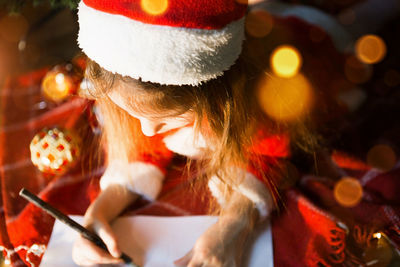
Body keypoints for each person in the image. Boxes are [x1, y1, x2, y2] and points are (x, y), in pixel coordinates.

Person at [72, 0, 322, 266]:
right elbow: (141, 152)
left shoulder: (263, 104)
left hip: (308, 41)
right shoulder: (124, 81)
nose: (147, 130)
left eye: (168, 118)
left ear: (219, 99)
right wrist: (98, 212)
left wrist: (233, 227)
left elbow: (267, 158)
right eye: (133, 115)